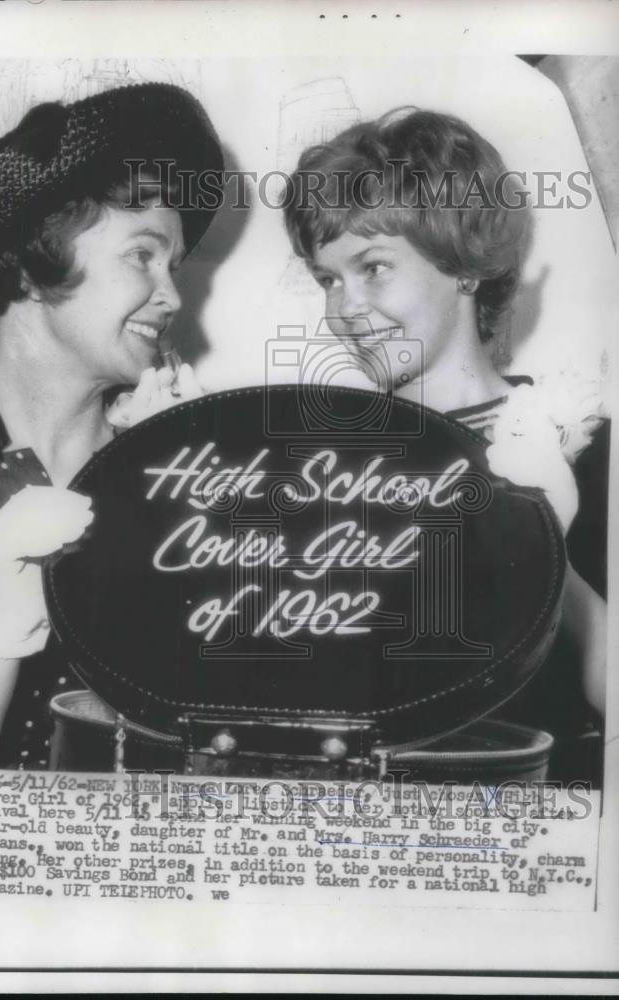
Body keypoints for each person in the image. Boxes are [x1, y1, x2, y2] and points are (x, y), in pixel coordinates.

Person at [0, 82, 224, 769]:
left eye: (174, 266)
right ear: (37, 263)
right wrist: (8, 618)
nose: (171, 297)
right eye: (143, 255)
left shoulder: (171, 463)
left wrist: (169, 489)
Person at [283, 108, 608, 783]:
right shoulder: (322, 470)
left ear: (463, 265)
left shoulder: (588, 445)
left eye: (371, 267)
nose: (340, 310)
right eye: (328, 279)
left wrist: (541, 545)